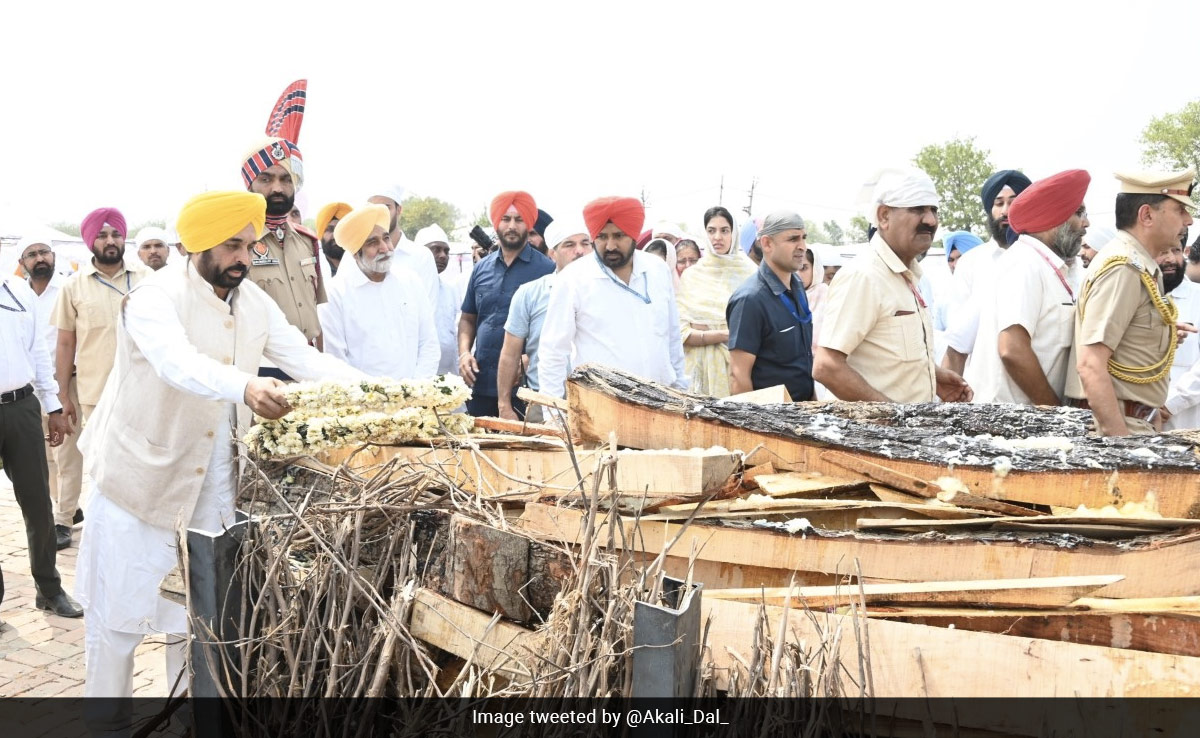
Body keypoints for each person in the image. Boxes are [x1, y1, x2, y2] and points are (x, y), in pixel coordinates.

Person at [75, 190, 364, 718]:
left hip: (214, 486)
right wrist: (245, 386)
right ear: (199, 245)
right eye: (232, 245)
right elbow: (176, 362)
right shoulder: (154, 297)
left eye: (249, 246)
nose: (243, 257)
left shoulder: (253, 301)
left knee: (195, 620)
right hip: (138, 483)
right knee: (118, 621)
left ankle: (184, 721)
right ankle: (107, 725)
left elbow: (304, 359)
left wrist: (383, 393)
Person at [813, 170, 972, 403]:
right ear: (884, 216)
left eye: (933, 210)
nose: (931, 221)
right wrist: (894, 417)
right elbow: (827, 367)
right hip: (875, 428)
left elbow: (887, 356)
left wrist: (933, 377)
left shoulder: (907, 276)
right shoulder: (864, 275)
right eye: (917, 209)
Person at [1064, 168, 1198, 435]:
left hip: (1135, 420)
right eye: (1180, 210)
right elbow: (1090, 364)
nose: (1189, 220)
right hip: (1122, 426)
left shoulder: (1140, 264)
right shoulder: (1123, 268)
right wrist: (1120, 444)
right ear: (1146, 215)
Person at [51, 207, 145, 548]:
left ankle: (137, 527)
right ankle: (99, 528)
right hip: (95, 394)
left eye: (116, 234)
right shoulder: (73, 286)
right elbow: (66, 343)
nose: (110, 241)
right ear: (91, 241)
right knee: (101, 465)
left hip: (143, 391)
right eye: (102, 235)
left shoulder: (146, 278)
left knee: (140, 462)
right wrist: (63, 395)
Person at [538, 196, 687, 398]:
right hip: (600, 403)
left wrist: (680, 392)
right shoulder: (573, 279)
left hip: (661, 400)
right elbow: (553, 352)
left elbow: (672, 337)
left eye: (618, 236)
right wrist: (554, 411)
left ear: (633, 235)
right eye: (602, 237)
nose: (610, 246)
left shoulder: (657, 270)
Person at [966, 170, 1090, 406]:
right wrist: (1055, 413)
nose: (1086, 223)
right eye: (1079, 213)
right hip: (1011, 420)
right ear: (1055, 216)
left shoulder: (1045, 265)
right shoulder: (1025, 263)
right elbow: (1012, 349)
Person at [1, 246, 79, 620]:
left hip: (21, 407)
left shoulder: (18, 291)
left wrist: (53, 407)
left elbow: (37, 355)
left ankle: (49, 589)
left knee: (38, 504)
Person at [458, 191, 555, 416]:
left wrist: (529, 357)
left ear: (528, 224)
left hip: (525, 389)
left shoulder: (547, 270)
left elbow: (553, 327)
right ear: (496, 223)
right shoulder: (481, 269)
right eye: (506, 219)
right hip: (480, 383)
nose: (512, 226)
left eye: (519, 220)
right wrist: (464, 353)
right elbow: (468, 318)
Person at [319, 204, 439, 379]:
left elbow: (429, 344)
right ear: (355, 253)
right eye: (372, 243)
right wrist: (371, 393)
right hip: (360, 394)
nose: (385, 248)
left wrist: (416, 389)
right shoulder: (335, 293)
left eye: (386, 238)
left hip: (414, 392)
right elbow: (336, 360)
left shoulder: (411, 281)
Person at [19, 236, 84, 549]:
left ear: (53, 255)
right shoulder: (17, 294)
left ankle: (63, 521)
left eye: (43, 251)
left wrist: (63, 388)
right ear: (22, 263)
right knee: (44, 455)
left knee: (67, 453)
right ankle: (68, 506)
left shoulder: (68, 288)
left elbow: (71, 340)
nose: (39, 258)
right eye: (31, 254)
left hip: (64, 382)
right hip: (31, 387)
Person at [497, 220, 592, 421]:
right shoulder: (530, 294)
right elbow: (510, 353)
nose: (579, 251)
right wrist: (504, 405)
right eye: (569, 245)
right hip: (544, 403)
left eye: (585, 243)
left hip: (597, 402)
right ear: (552, 254)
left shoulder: (608, 293)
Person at [941, 170, 1033, 374]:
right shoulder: (972, 262)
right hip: (982, 383)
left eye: (1013, 202)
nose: (1005, 211)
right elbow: (957, 339)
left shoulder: (1039, 259)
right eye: (999, 203)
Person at [241, 135, 326, 350]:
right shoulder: (235, 243)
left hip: (309, 358)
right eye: (266, 179)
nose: (278, 188)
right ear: (250, 185)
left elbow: (316, 313)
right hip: (263, 362)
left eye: (286, 179)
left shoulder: (308, 241)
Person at [727, 211, 815, 401]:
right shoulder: (750, 299)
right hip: (771, 414)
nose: (802, 246)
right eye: (793, 239)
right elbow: (738, 376)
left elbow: (803, 361)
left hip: (803, 412)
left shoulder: (798, 287)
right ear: (767, 243)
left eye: (803, 238)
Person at [676, 206, 758, 397]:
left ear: (734, 233)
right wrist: (725, 333)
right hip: (696, 372)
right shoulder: (692, 275)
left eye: (724, 230)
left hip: (738, 370)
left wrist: (705, 330)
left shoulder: (751, 273)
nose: (717, 237)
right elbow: (682, 333)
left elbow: (753, 330)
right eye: (711, 231)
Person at [366, 185, 440, 308]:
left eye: (386, 208)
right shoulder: (354, 255)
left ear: (399, 210)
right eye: (373, 209)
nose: (379, 214)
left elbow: (429, 309)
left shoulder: (421, 256)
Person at [1160, 236, 1200, 429]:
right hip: (1135, 414)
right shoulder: (1132, 294)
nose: (1169, 258)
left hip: (1184, 421)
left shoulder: (1197, 296)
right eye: (1162, 251)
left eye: (1175, 250)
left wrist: (1170, 404)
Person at [417, 223, 462, 375]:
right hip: (418, 375)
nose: (443, 255)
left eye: (446, 251)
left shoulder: (450, 289)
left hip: (448, 375)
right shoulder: (408, 287)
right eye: (436, 249)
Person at [316, 201, 353, 277]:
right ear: (321, 234)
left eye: (342, 230)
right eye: (330, 229)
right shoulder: (313, 268)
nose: (335, 236)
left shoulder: (365, 266)